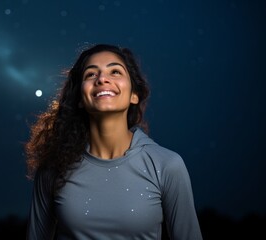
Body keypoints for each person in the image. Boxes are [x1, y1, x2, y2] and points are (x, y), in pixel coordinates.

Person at [25, 43, 203, 239]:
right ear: (80, 100)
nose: (102, 79)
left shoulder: (167, 165)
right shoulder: (53, 168)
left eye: (115, 72)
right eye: (91, 74)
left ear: (134, 95)